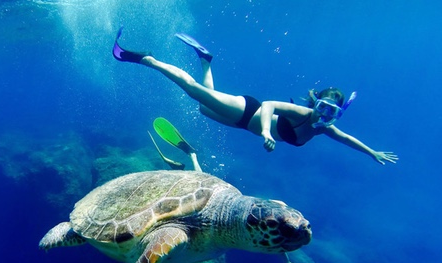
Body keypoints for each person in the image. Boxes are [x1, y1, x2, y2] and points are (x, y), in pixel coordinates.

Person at [113, 28, 398, 165]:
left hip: (242, 124)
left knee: (202, 107)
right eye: (323, 108)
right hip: (247, 111)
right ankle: (147, 59)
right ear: (316, 102)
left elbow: (347, 139)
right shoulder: (302, 114)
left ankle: (206, 60)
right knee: (193, 92)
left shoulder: (324, 129)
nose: (324, 116)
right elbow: (270, 104)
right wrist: (265, 133)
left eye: (332, 113)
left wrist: (372, 152)